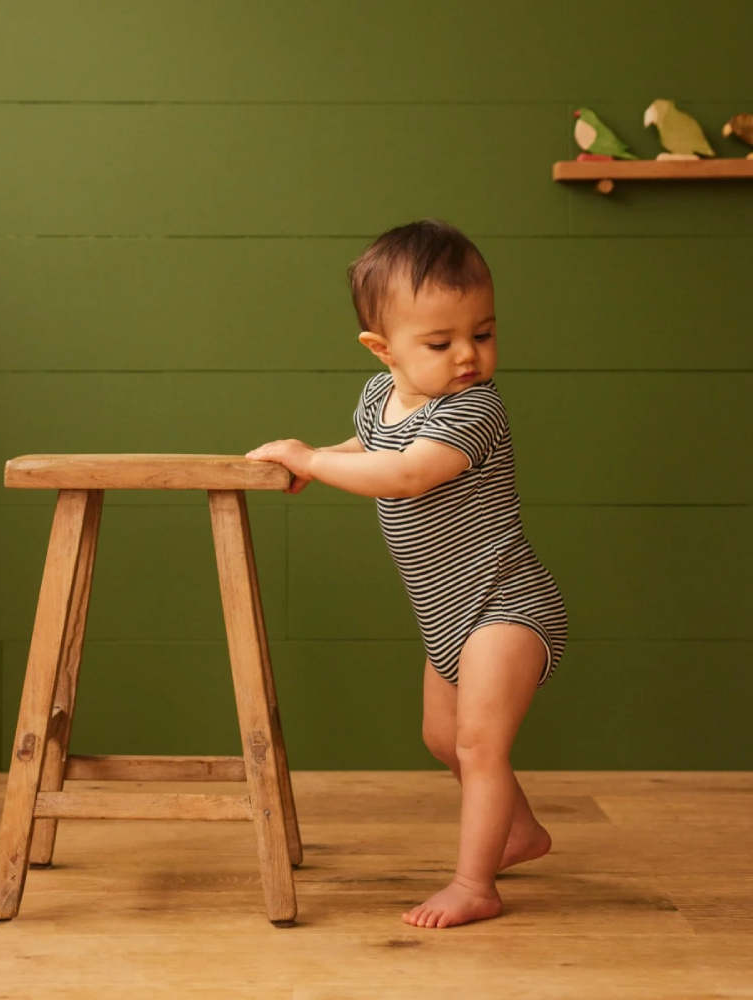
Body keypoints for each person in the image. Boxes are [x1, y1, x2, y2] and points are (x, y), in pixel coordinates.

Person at [245, 218, 569, 929]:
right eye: (441, 342)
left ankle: (474, 882)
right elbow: (368, 444)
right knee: (440, 738)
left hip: (505, 604)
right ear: (382, 350)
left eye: (482, 335)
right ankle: (519, 833)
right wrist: (319, 460)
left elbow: (405, 474)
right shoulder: (377, 396)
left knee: (482, 744)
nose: (467, 356)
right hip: (446, 615)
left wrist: (312, 461)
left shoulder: (475, 408)